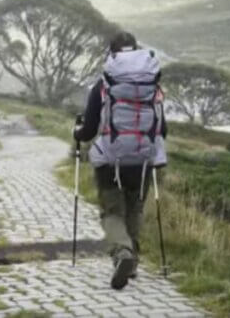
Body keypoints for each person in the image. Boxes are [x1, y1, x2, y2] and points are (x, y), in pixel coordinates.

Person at [73, 31, 167, 290]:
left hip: (110, 160)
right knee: (134, 207)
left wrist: (77, 133)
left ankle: (122, 252)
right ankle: (132, 262)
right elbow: (163, 129)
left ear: (111, 53)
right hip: (143, 159)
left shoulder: (103, 86)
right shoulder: (152, 86)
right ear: (136, 51)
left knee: (112, 211)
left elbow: (90, 130)